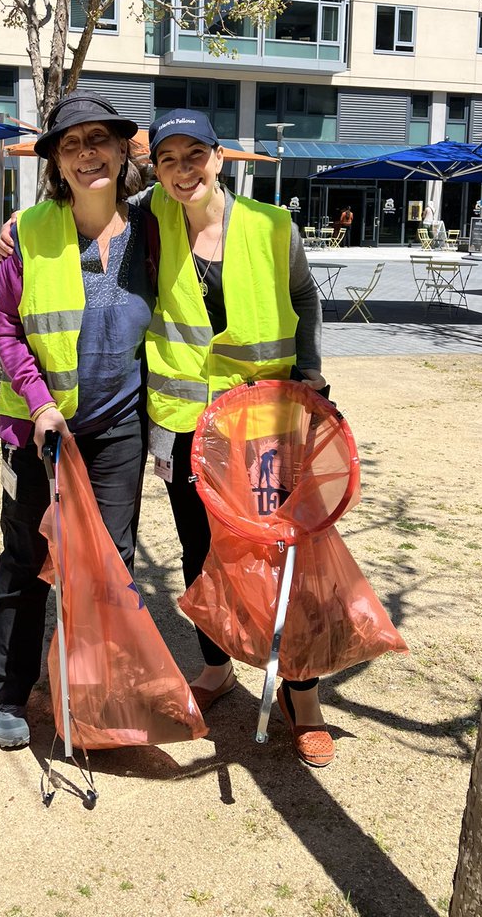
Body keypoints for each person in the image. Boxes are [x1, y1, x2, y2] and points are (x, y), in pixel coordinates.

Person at [144, 108, 334, 769]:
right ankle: (217, 665)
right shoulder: (149, 221)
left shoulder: (272, 227)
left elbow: (307, 299)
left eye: (193, 155)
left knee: (284, 559)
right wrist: (16, 228)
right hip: (185, 425)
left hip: (264, 419)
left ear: (220, 158)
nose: (181, 170)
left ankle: (302, 700)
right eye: (168, 159)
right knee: (201, 552)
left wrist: (309, 379)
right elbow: (81, 207)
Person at [0, 91, 154, 750]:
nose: (88, 154)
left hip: (116, 431)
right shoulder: (28, 233)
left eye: (99, 141)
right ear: (55, 161)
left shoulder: (152, 231)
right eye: (71, 144)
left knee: (110, 564)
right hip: (37, 428)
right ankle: (8, 690)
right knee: (27, 561)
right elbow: (3, 327)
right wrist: (40, 402)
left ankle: (89, 690)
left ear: (120, 151)